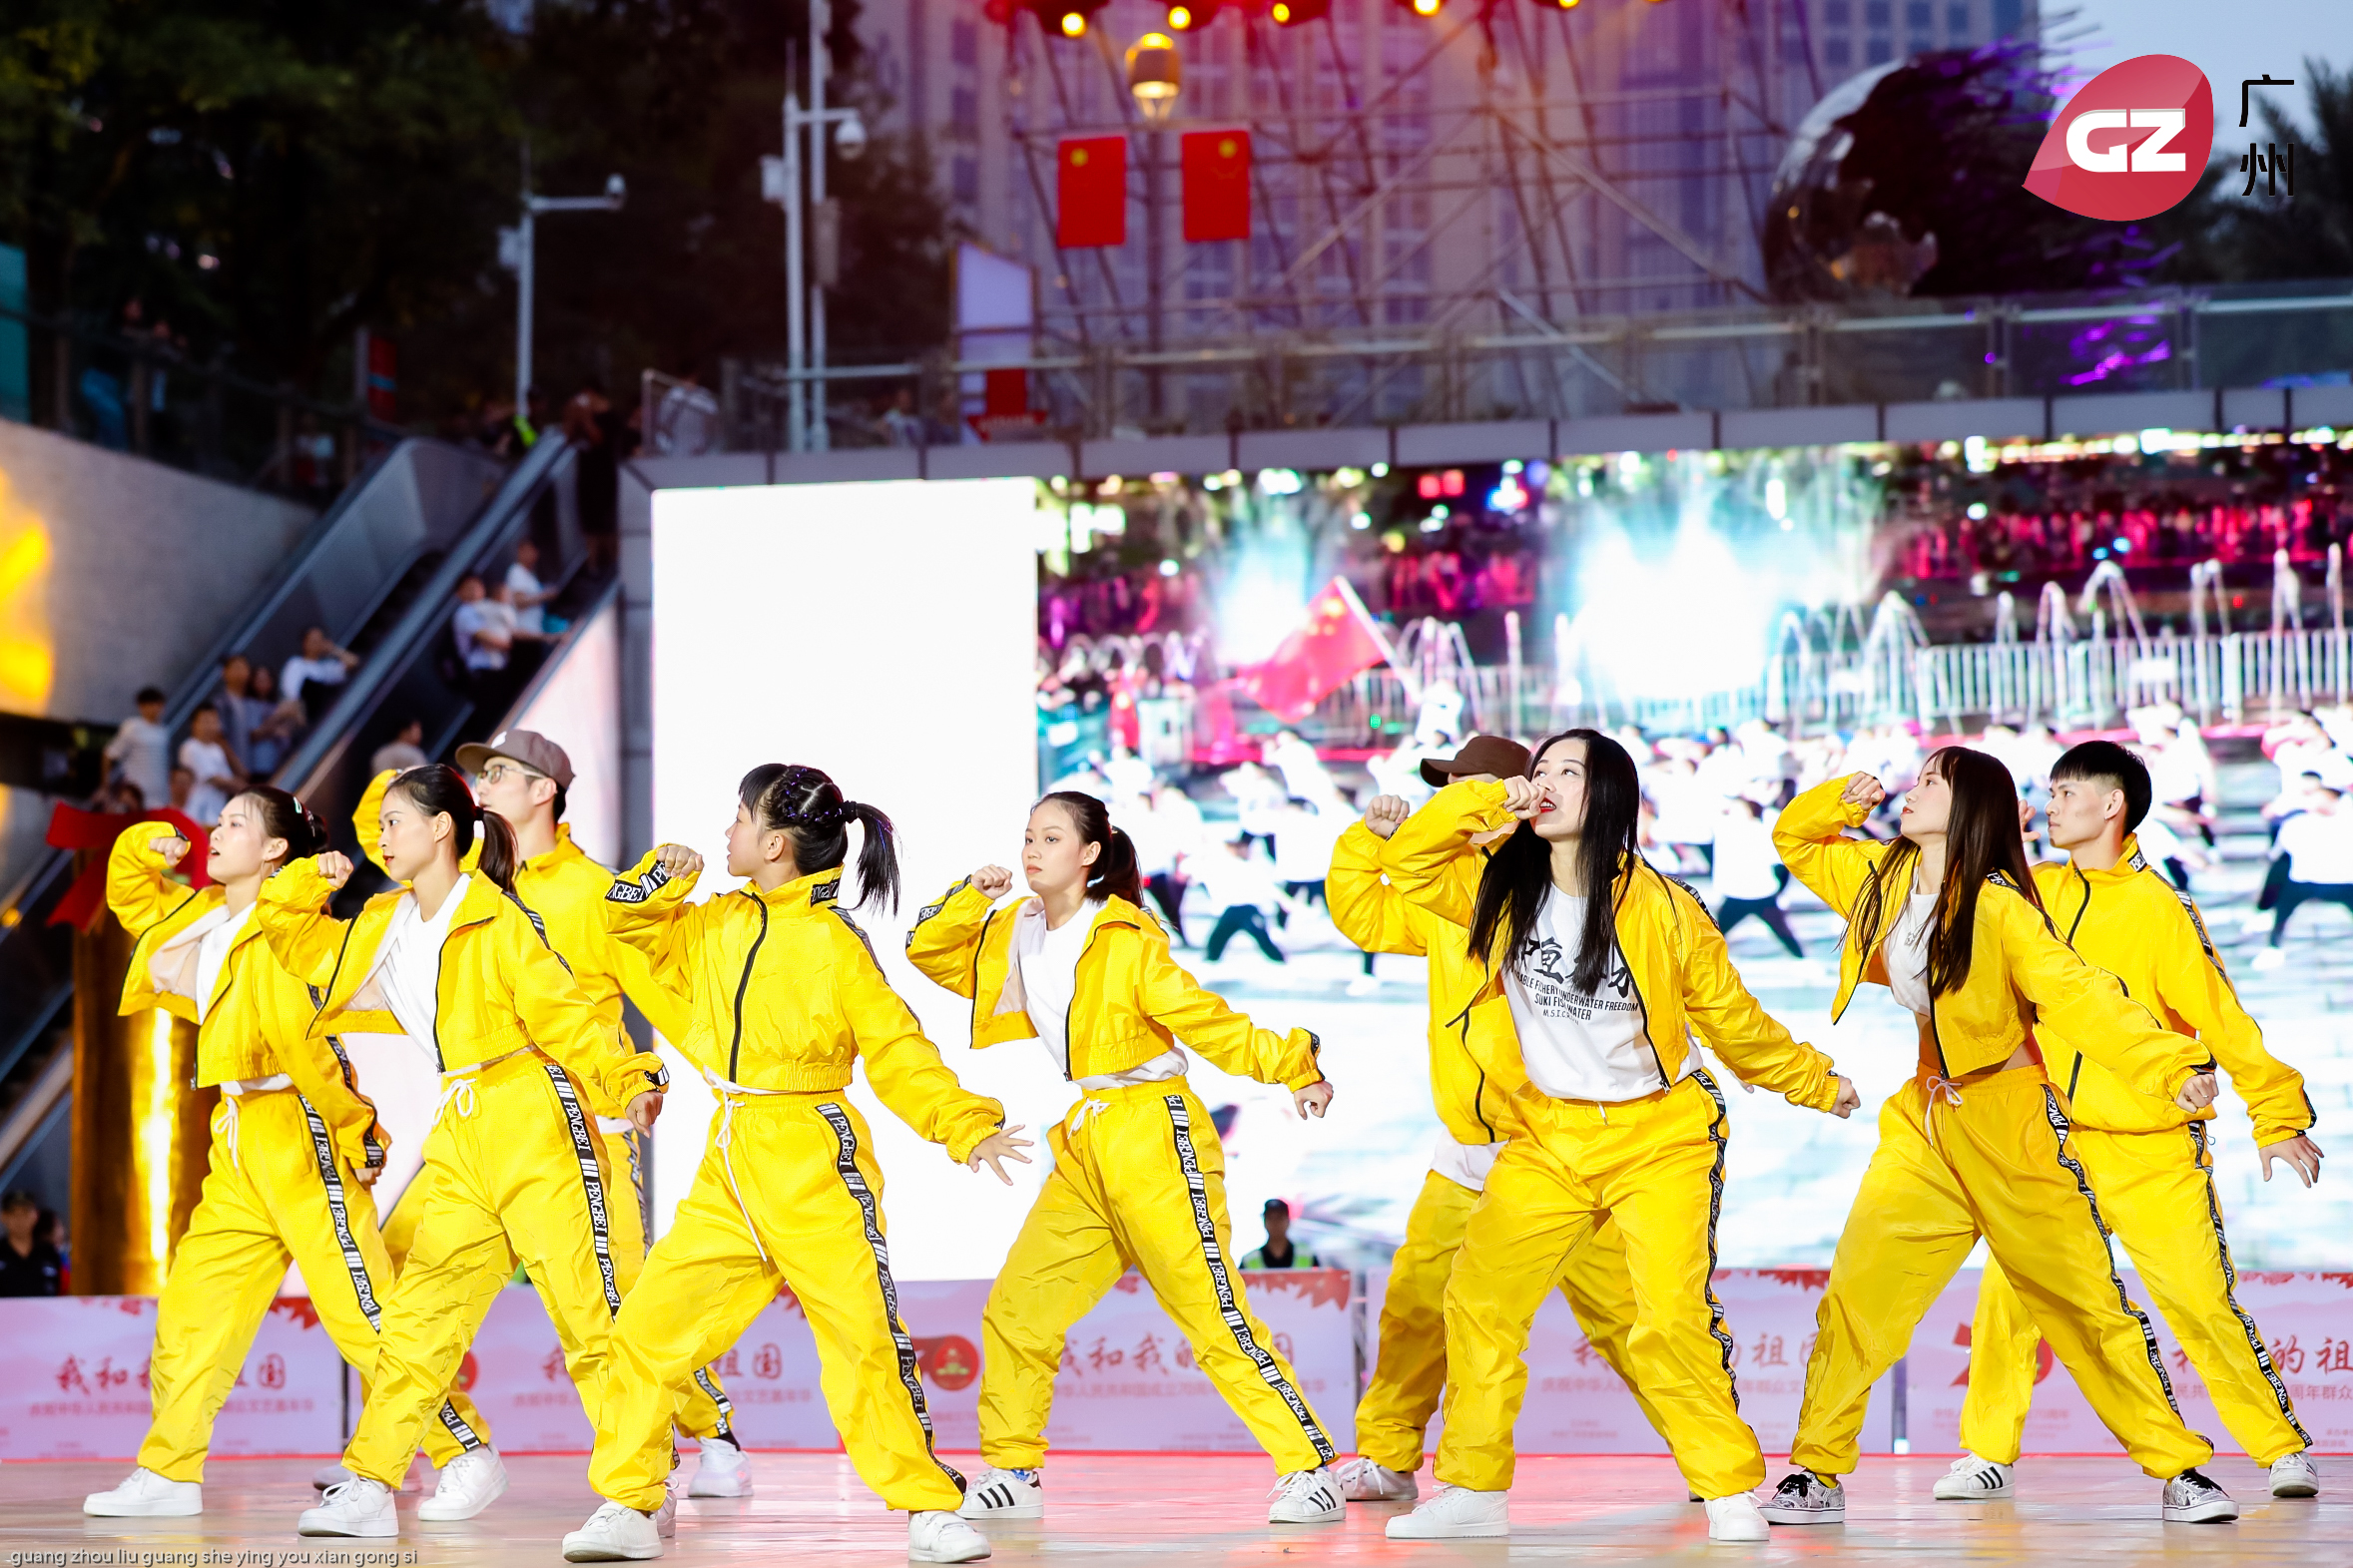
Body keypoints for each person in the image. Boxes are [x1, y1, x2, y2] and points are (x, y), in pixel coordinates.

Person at [1379, 732, 1858, 1544]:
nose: (1545, 781)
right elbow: (1412, 860)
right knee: (1480, 1299)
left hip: (1659, 1133)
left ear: (1606, 796)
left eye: (1567, 772)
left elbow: (1730, 1017)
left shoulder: (1663, 906)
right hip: (1549, 1135)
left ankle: (1726, 1487)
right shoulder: (1497, 888)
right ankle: (1472, 1487)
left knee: (1667, 1314)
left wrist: (1813, 1080)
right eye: (1539, 770)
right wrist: (1489, 797)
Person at [1762, 749, 2239, 1527]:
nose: (1910, 789)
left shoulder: (2000, 905)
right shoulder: (1878, 878)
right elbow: (1794, 839)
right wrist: (1838, 802)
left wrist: (2168, 1063)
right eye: (1916, 777)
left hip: (2011, 1121)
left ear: (1970, 808)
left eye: (1930, 781)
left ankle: (2178, 1468)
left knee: (2084, 1304)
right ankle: (1814, 1469)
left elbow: (2078, 994)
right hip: (1924, 1120)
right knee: (1858, 1294)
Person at [564, 765, 1026, 1564]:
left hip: (815, 1156)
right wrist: (660, 873)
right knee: (645, 1328)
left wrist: (963, 1124)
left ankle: (928, 1506)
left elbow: (898, 1048)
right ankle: (631, 1501)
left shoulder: (835, 943)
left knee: (863, 1340)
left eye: (739, 820)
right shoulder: (714, 920)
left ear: (774, 844)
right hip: (731, 1161)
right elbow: (622, 924)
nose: (727, 833)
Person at [906, 791, 1347, 1528]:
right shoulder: (1017, 929)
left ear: (1089, 854)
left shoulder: (1123, 933)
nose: (1032, 849)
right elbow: (929, 952)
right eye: (1027, 836)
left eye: (1051, 837)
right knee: (1019, 1306)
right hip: (1086, 1138)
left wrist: (1294, 1066)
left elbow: (1203, 1017)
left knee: (1210, 1310)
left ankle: (1310, 1469)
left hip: (1153, 1131)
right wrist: (969, 898)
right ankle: (1013, 1470)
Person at [265, 766, 670, 1540]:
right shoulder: (382, 921)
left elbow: (568, 1013)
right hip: (461, 1123)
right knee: (419, 1318)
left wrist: (628, 1080)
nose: (381, 835)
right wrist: (303, 882)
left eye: (395, 820)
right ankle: (371, 1483)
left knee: (588, 1316)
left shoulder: (497, 915)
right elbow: (295, 945)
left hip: (536, 1115)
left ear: (441, 827)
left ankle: (637, 1496)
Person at [80, 790, 493, 1519]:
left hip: (300, 1131)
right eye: (217, 821)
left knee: (364, 1313)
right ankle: (169, 1471)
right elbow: (135, 901)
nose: (215, 832)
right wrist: (142, 845)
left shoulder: (291, 929)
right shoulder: (206, 915)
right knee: (194, 1311)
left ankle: (464, 1451)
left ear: (275, 850)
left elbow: (314, 1048)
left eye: (234, 823)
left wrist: (354, 1127)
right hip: (237, 1136)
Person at [1942, 742, 2323, 1504]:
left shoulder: (2159, 909)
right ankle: (1986, 1451)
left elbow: (2224, 1019)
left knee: (2199, 1301)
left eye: (2066, 791)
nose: (2050, 803)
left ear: (2111, 804)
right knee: (2009, 1299)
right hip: (2047, 1145)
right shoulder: (2026, 892)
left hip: (2150, 1148)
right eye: (2048, 791)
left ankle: (2279, 1448)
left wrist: (2276, 1114)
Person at [1326, 735, 1681, 1505]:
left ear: (1519, 795)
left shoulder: (1561, 886)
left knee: (1626, 1316)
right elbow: (1364, 917)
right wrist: (1365, 839)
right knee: (1416, 1305)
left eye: (1468, 785)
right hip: (1466, 1147)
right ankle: (1388, 1455)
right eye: (1447, 787)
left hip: (1557, 1150)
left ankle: (1709, 1461)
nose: (1451, 799)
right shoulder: (1447, 882)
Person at [455, 729, 749, 1499]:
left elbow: (657, 997)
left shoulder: (591, 892)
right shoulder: (469, 887)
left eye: (498, 772)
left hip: (584, 1127)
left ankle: (706, 1432)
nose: (481, 784)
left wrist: (671, 1081)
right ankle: (409, 1456)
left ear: (543, 791)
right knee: (401, 1270)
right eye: (479, 773)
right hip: (487, 1128)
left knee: (611, 1304)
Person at [2254, 782, 2353, 969]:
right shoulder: (2296, 824)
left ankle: (2273, 946)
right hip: (2306, 880)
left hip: (2343, 881)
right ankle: (2273, 948)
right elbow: (2280, 852)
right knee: (2282, 911)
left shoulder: (2346, 822)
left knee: (2284, 908)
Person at [1711, 797, 1804, 960]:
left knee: (1783, 932)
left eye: (1738, 810)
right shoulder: (1724, 829)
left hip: (1761, 893)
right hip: (1736, 894)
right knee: (1715, 932)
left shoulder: (1760, 831)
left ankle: (1802, 959)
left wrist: (1779, 890)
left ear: (1749, 813)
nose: (1733, 814)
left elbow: (1778, 862)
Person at [1197, 836, 1289, 964]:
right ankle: (1210, 960)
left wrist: (1285, 901)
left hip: (1248, 910)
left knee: (1263, 940)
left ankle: (1279, 960)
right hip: (1233, 910)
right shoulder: (1225, 867)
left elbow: (1269, 888)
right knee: (1217, 940)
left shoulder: (1250, 868)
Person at [102, 686, 173, 809]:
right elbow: (109, 754)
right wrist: (106, 788)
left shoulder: (164, 731)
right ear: (142, 707)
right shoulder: (132, 727)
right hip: (136, 797)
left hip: (160, 797)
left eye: (159, 704)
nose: (157, 708)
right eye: (152, 705)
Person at [178, 703, 242, 826]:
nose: (210, 726)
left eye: (213, 721)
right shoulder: (190, 747)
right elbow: (215, 779)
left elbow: (227, 779)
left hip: (216, 812)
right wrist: (245, 787)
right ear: (194, 724)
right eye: (205, 721)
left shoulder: (217, 749)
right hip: (196, 814)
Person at [283, 627, 360, 726]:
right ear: (305, 643)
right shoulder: (296, 664)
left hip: (332, 714)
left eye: (321, 640)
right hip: (311, 719)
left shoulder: (326, 666)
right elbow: (292, 695)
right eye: (314, 641)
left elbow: (353, 662)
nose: (318, 644)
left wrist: (333, 649)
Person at [0, 1190, 63, 1297]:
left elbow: (60, 1290)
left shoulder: (48, 1252)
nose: (20, 1219)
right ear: (3, 1216)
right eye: (13, 1213)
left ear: (36, 1215)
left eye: (25, 1212)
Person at [451, 575, 513, 675]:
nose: (474, 591)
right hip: (483, 667)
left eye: (477, 586)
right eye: (469, 588)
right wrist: (515, 645)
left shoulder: (487, 604)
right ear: (459, 593)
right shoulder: (464, 613)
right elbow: (489, 640)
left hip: (499, 662)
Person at [1239, 1199, 1322, 1269]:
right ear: (1264, 1222)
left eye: (1279, 1218)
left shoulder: (1307, 1255)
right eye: (1271, 1218)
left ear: (1288, 1221)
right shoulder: (1249, 1260)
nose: (1275, 1223)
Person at [506, 540, 557, 638]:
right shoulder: (517, 571)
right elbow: (519, 601)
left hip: (536, 630)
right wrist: (545, 595)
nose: (532, 554)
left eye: (534, 551)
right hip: (525, 633)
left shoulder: (529, 574)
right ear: (520, 551)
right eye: (528, 550)